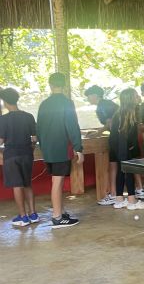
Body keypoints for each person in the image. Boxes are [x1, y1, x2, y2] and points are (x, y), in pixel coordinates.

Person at [36, 72, 83, 228]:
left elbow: (38, 128)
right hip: (61, 148)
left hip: (48, 149)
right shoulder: (67, 103)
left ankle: (61, 211)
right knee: (57, 182)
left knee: (56, 181)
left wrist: (43, 147)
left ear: (50, 85)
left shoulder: (44, 104)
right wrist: (78, 148)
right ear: (64, 85)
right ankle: (57, 217)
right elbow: (72, 126)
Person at [0, 87, 39, 227]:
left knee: (17, 185)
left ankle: (23, 217)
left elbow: (0, 140)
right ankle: (33, 214)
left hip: (11, 155)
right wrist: (30, 148)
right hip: (27, 154)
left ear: (5, 102)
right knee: (27, 183)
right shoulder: (28, 116)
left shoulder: (3, 119)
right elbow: (34, 138)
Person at [109, 88, 144, 211]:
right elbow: (128, 134)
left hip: (116, 146)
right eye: (136, 95)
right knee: (128, 171)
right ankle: (132, 201)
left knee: (120, 171)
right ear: (130, 98)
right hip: (123, 146)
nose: (138, 97)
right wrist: (130, 147)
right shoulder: (129, 113)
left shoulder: (119, 113)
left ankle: (119, 200)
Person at [84, 85, 119, 206]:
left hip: (117, 137)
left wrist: (98, 132)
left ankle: (114, 194)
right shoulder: (106, 104)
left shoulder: (103, 106)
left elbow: (111, 123)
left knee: (113, 165)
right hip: (120, 135)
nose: (88, 99)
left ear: (95, 95)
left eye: (89, 96)